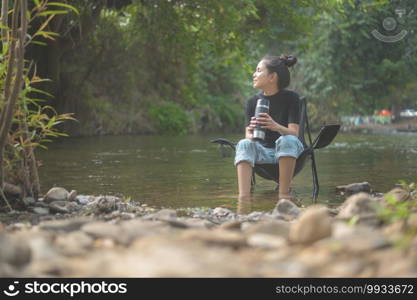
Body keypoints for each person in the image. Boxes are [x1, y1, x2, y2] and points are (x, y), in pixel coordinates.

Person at [234, 54, 304, 203]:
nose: (254, 74)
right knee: (243, 144)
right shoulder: (252, 102)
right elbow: (248, 137)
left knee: (288, 139)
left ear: (272, 77)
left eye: (259, 70)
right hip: (263, 153)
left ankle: (283, 195)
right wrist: (252, 132)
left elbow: (294, 133)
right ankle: (243, 199)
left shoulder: (291, 98)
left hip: (289, 152)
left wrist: (275, 126)